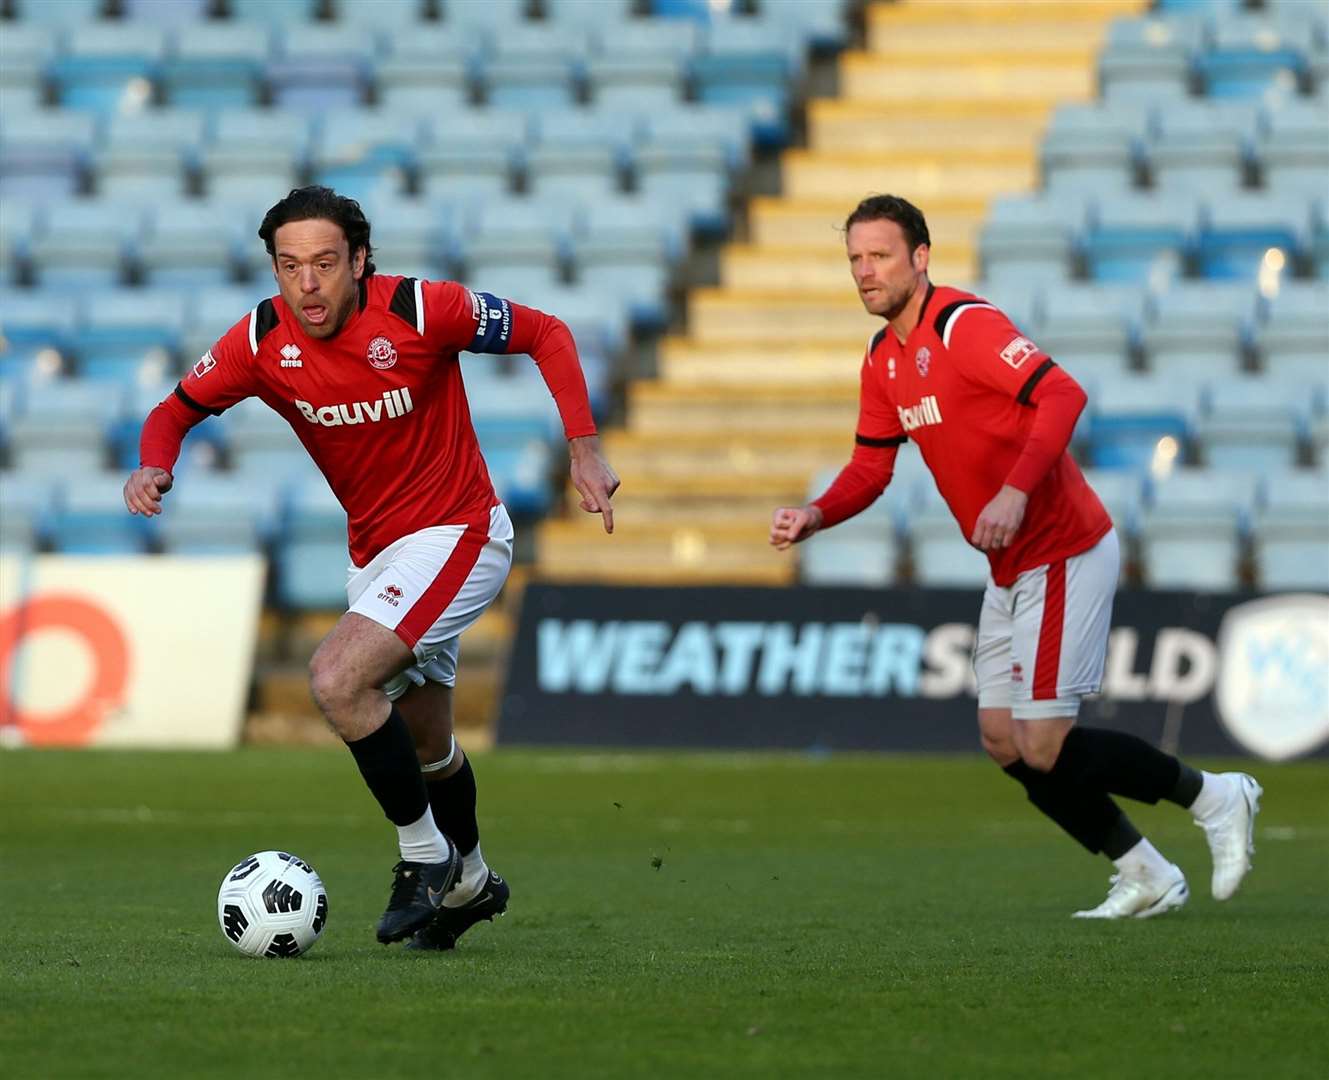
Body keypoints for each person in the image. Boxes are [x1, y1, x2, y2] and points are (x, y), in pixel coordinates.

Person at [123, 186, 619, 947]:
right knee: (427, 747)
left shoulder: (423, 312)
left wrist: (583, 448)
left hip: (460, 532)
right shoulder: (260, 339)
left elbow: (546, 332)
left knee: (335, 679)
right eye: (289, 267)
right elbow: (173, 410)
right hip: (380, 555)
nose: (307, 284)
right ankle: (473, 884)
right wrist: (154, 465)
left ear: (358, 259)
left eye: (324, 263)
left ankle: (423, 859)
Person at [769, 194, 1261, 919]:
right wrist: (816, 513)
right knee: (1002, 739)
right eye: (854, 259)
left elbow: (1062, 393)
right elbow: (871, 469)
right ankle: (1145, 872)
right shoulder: (883, 361)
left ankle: (1216, 796)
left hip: (1063, 547)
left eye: (878, 256)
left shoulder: (965, 327)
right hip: (1009, 566)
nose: (865, 272)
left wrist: (1012, 491)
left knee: (1042, 741)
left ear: (920, 258)